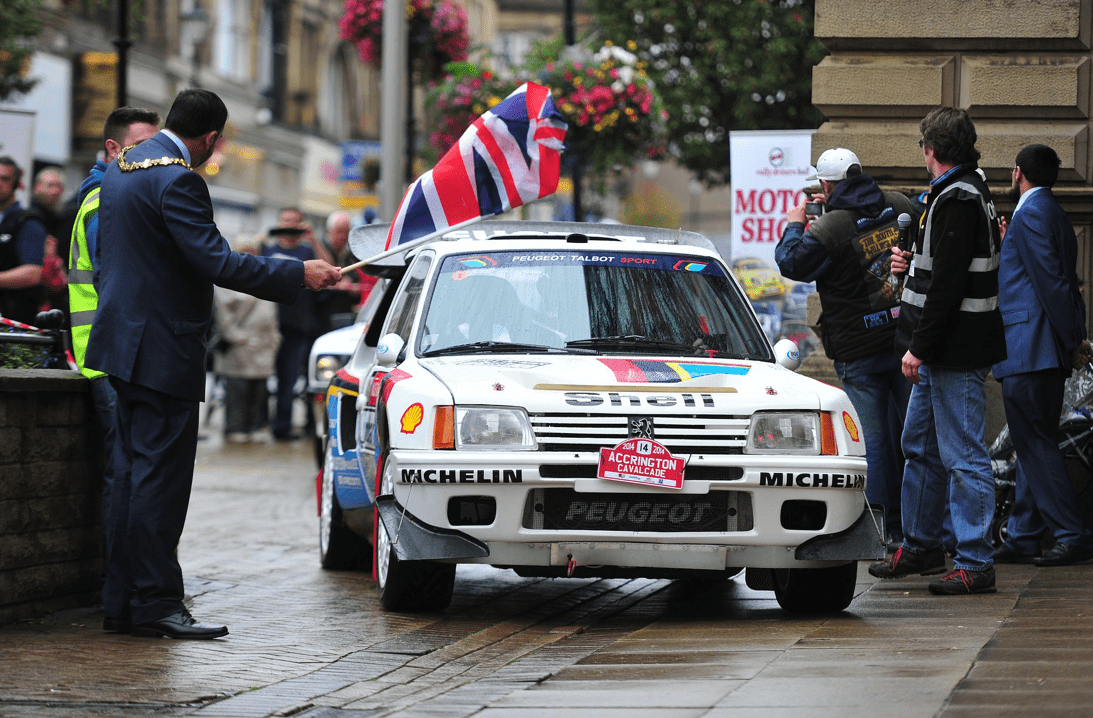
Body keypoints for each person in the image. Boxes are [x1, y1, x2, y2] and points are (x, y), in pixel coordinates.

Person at [85, 89, 341, 639]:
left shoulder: (123, 167)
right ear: (211, 139)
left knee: (129, 478)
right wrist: (298, 273)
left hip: (119, 343)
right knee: (160, 482)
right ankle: (155, 603)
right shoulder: (179, 178)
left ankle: (122, 602)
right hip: (161, 350)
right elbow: (215, 260)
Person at [869, 107, 1006, 595]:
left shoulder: (958, 199)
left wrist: (918, 349)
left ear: (932, 149)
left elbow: (949, 286)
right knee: (920, 447)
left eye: (923, 144)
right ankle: (923, 546)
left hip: (951, 350)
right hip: (943, 348)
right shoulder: (958, 194)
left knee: (962, 455)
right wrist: (908, 266)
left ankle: (974, 562)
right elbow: (942, 272)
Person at [776, 148, 915, 550]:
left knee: (873, 449)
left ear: (826, 185)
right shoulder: (898, 204)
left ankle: (885, 535)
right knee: (913, 441)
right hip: (904, 340)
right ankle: (921, 533)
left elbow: (791, 263)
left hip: (858, 350)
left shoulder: (829, 227)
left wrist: (794, 224)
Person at [68, 105, 162, 580]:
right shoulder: (105, 200)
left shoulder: (107, 195)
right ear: (113, 149)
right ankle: (123, 585)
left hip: (112, 353)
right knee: (125, 473)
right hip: (110, 357)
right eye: (143, 146)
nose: (154, 156)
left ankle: (125, 586)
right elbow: (116, 284)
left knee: (127, 470)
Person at [992, 144, 1093, 566]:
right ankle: (1023, 534)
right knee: (1039, 442)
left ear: (1018, 173)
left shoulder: (1029, 214)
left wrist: (1074, 342)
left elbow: (1051, 283)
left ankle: (1071, 533)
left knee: (1035, 444)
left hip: (1028, 349)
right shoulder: (1052, 213)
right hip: (1042, 349)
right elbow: (1059, 280)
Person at [262, 211, 325, 441]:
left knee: (289, 379)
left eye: (294, 221)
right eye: (285, 220)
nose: (289, 225)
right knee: (262, 377)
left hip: (297, 326)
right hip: (268, 325)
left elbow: (329, 269)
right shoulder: (266, 249)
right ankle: (259, 423)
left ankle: (283, 427)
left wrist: (314, 239)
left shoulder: (307, 251)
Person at [213, 237, 281, 443]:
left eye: (253, 250)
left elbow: (273, 309)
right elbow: (222, 314)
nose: (249, 254)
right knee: (237, 389)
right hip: (240, 344)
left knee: (259, 389)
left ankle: (254, 426)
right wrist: (235, 336)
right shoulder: (226, 279)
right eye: (245, 250)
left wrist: (275, 337)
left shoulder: (265, 275)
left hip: (264, 344)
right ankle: (235, 427)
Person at [0, 157, 48, 324]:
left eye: (5, 178)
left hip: (14, 322)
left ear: (16, 183)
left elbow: (32, 273)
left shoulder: (27, 222)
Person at [318, 210, 376, 332]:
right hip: (320, 317)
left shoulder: (350, 256)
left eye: (346, 232)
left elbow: (357, 282)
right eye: (339, 231)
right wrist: (338, 284)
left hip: (343, 316)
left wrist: (352, 287)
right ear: (330, 231)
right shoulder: (317, 250)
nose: (343, 236)